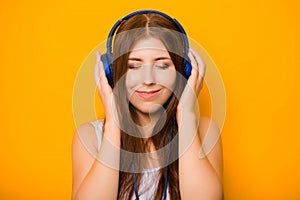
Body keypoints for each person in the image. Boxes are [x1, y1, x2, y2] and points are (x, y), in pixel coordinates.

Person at [72, 10, 223, 200]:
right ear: (113, 73)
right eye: (134, 66)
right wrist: (113, 122)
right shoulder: (90, 137)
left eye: (162, 66)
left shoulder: (204, 130)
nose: (148, 80)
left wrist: (186, 115)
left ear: (183, 71)